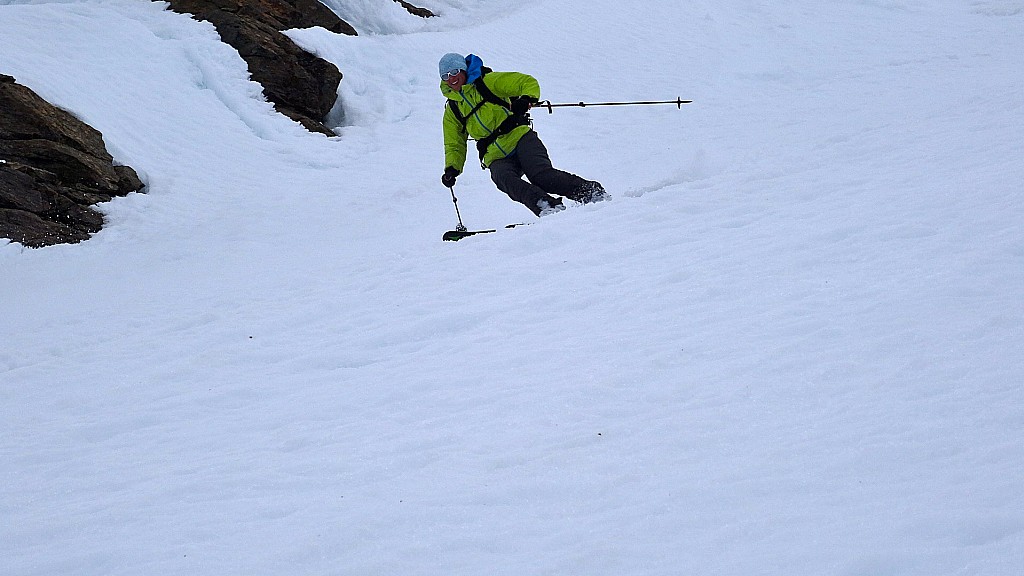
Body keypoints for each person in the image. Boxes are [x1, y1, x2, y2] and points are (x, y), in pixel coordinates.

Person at [439, 52, 607, 217]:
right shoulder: (453, 109)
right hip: (495, 155)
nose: (451, 78)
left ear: (463, 70)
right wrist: (452, 168)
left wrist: (526, 99)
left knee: (541, 176)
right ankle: (546, 206)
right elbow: (454, 143)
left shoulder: (488, 82)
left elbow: (525, 82)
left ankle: (591, 193)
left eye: (454, 72)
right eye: (446, 76)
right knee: (504, 179)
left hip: (520, 138)